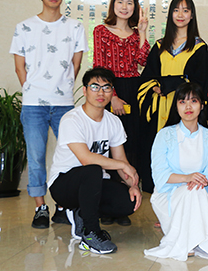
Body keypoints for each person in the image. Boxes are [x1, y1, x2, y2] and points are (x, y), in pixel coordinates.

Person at [10, 0, 88, 229]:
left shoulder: (75, 27)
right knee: (36, 156)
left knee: (71, 155)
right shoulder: (24, 27)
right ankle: (40, 207)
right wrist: (32, 89)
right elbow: (19, 66)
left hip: (64, 102)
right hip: (33, 104)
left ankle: (64, 205)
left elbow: (76, 65)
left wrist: (61, 87)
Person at [48, 67, 142, 255]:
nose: (101, 93)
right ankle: (90, 234)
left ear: (112, 92)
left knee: (128, 202)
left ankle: (81, 213)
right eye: (95, 87)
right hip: (63, 185)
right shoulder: (72, 119)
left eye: (106, 88)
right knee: (93, 169)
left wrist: (133, 185)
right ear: (84, 90)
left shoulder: (113, 121)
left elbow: (120, 160)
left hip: (94, 183)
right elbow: (86, 158)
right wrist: (123, 165)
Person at [137, 0, 208, 192]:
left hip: (185, 107)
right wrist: (154, 86)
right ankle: (156, 187)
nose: (180, 15)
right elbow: (147, 76)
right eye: (176, 10)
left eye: (185, 10)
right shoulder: (160, 45)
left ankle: (183, 186)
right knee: (157, 147)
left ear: (192, 15)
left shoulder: (199, 47)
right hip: (159, 106)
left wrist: (170, 84)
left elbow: (200, 81)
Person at [144, 82, 208, 261]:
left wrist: (199, 181)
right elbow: (159, 175)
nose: (188, 107)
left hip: (199, 193)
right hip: (168, 194)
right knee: (190, 190)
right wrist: (188, 178)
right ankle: (190, 241)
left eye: (193, 101)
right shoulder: (165, 135)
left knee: (194, 191)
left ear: (202, 105)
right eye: (182, 102)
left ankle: (188, 240)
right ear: (176, 106)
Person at [93, 0, 149, 223]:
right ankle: (107, 206)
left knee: (131, 146)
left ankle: (125, 205)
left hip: (134, 90)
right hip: (110, 91)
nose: (125, 7)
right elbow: (99, 67)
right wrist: (112, 95)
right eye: (120, 2)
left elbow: (143, 61)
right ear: (113, 5)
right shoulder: (101, 31)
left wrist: (143, 33)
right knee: (109, 147)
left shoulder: (136, 35)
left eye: (130, 3)